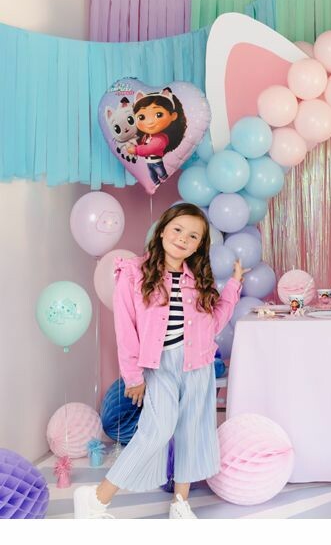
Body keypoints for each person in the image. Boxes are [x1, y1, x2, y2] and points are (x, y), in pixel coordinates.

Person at [73, 203, 244, 519]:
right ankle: (95, 499)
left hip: (198, 366)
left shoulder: (197, 279)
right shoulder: (133, 272)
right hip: (160, 366)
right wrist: (133, 376)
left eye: (193, 236)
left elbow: (212, 325)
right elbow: (125, 329)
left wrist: (233, 286)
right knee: (157, 429)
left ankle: (180, 504)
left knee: (192, 432)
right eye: (178, 230)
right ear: (163, 230)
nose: (183, 239)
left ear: (199, 245)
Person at [126, 88, 187, 187]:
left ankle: (165, 181)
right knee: (152, 175)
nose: (150, 122)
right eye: (141, 117)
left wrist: (135, 150)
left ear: (173, 116)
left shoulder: (160, 139)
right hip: (149, 162)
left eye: (159, 114)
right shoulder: (147, 136)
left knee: (161, 173)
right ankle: (156, 184)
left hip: (156, 162)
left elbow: (150, 148)